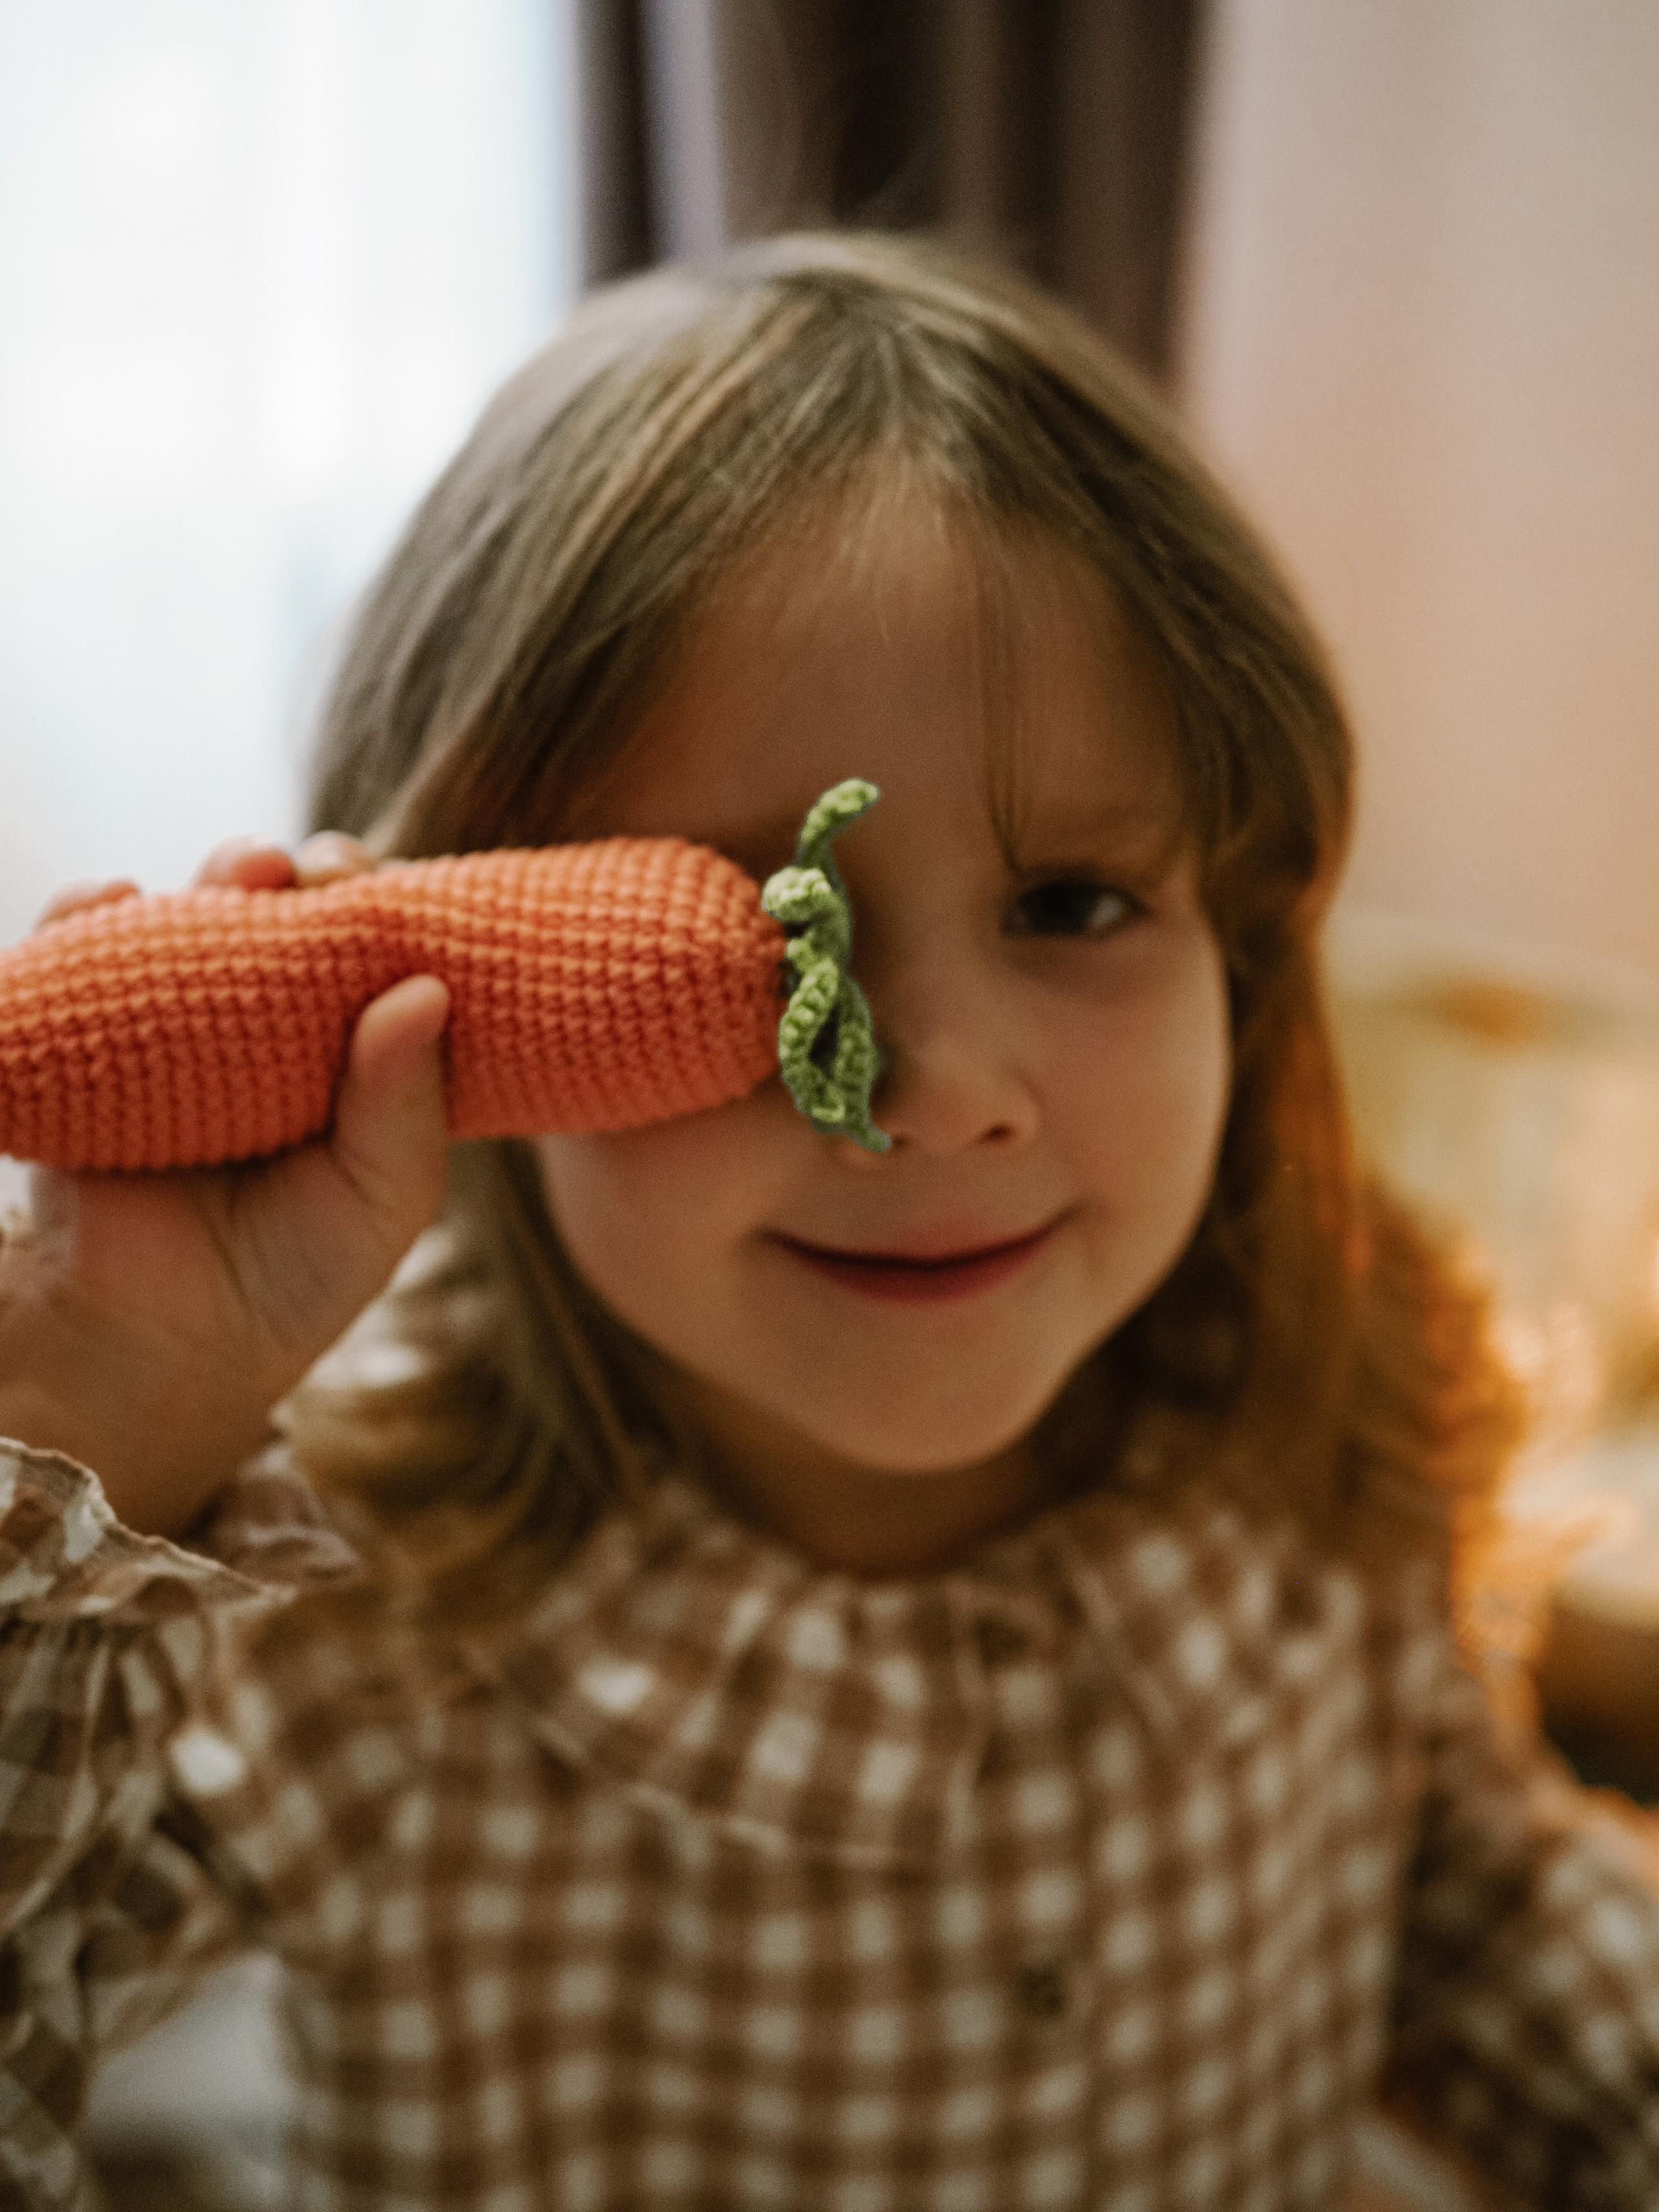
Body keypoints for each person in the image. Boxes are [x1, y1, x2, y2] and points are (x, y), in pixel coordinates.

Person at [0, 233, 1655, 2212]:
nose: (937, 1090)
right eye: (773, 943)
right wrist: (115, 1410)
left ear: (1242, 943)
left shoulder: (1312, 1433)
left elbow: (1470, 1897)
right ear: (464, 1028)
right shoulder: (332, 1620)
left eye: (1070, 904)